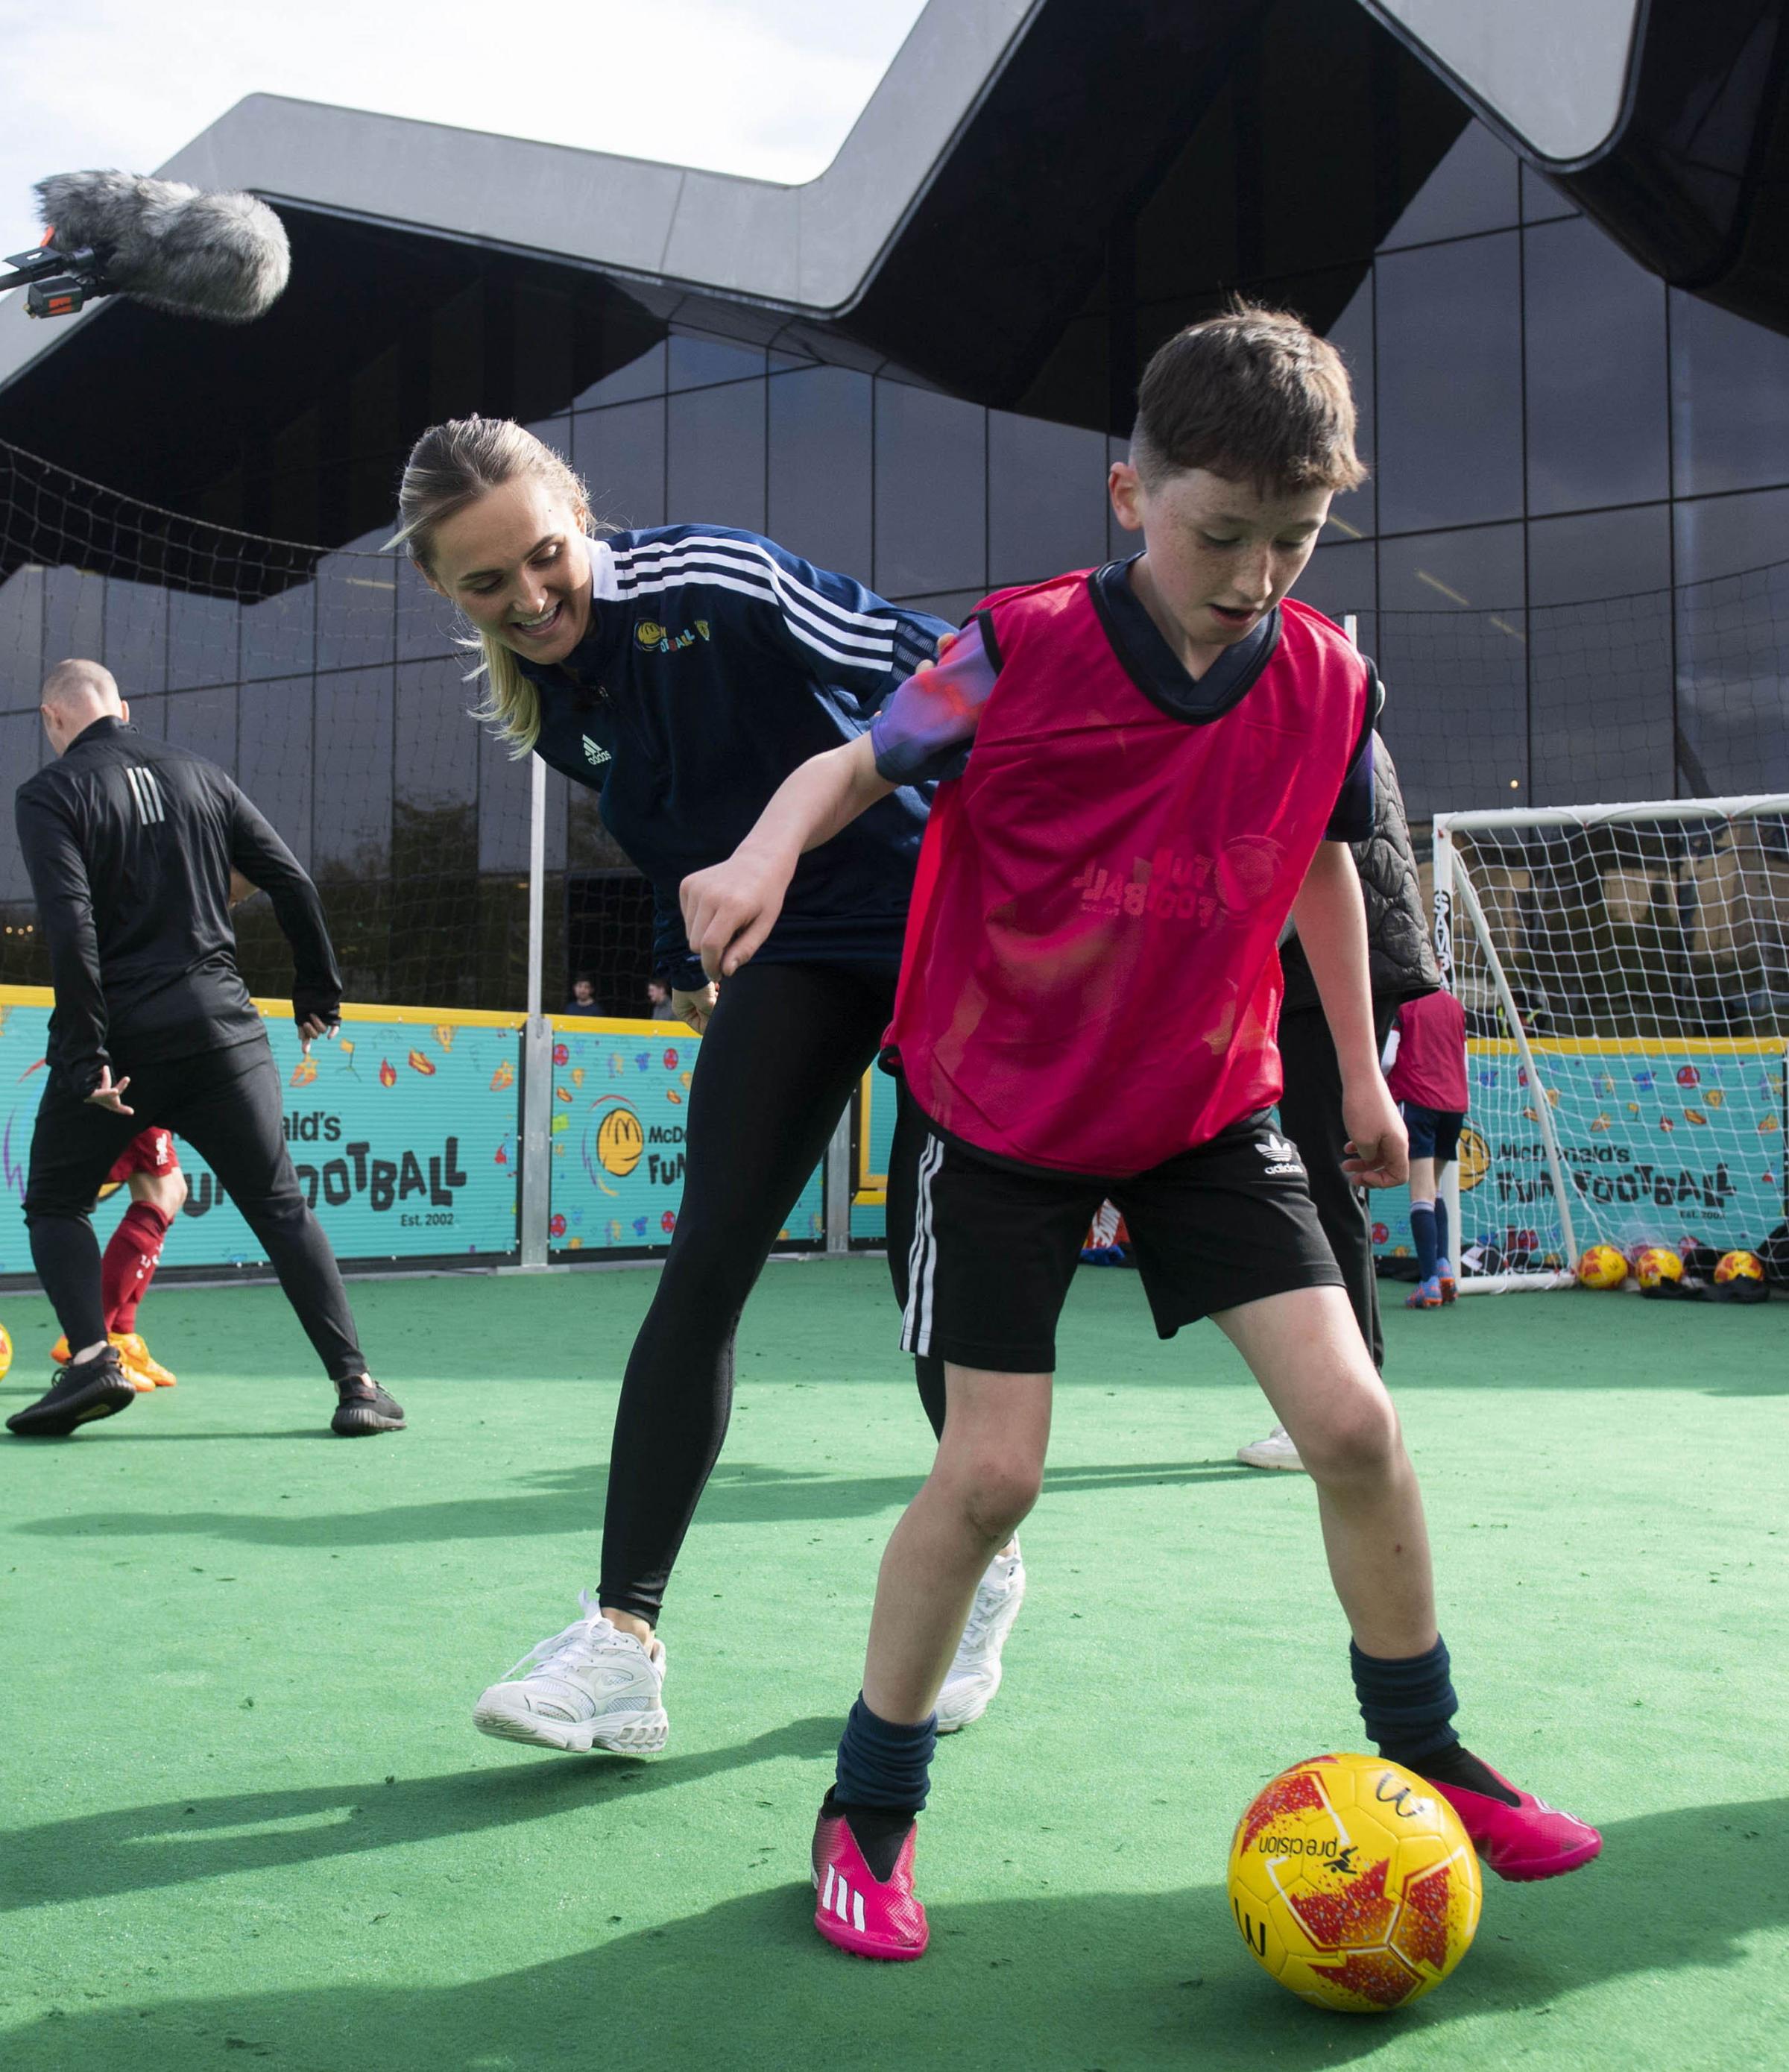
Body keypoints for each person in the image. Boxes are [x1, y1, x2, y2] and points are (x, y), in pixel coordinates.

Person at [684, 306, 1601, 1961]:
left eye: (1296, 537)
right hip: (1002, 1111)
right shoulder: (1019, 652)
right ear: (1131, 495)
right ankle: (866, 1814)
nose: (1256, 572)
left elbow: (1322, 856)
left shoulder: (1328, 674)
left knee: (1358, 1427)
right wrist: (758, 860)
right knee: (989, 1480)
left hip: (1207, 1100)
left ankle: (1428, 1751)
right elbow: (854, 764)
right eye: (1220, 533)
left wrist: (1371, 1073)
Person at [390, 418, 1024, 1753]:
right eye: (486, 587)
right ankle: (620, 1643)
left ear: (583, 520)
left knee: (929, 1264)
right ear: (444, 589)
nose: (530, 600)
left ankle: (980, 1562)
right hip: (799, 948)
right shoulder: (557, 703)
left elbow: (962, 674)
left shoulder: (713, 585)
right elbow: (690, 841)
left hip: (944, 917)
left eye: (545, 558)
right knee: (705, 1262)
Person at [7, 659, 405, 1440]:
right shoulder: (202, 774)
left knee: (55, 1202)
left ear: (54, 719)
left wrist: (85, 1053)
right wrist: (317, 991)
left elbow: (71, 925)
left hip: (124, 1040)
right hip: (226, 1030)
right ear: (124, 705)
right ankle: (356, 1384)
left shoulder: (50, 792)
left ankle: (92, 1360)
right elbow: (292, 881)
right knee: (281, 1206)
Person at [1237, 730, 1438, 1471]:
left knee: (1325, 1179)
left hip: (1328, 972)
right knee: (1326, 1178)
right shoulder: (1331, 704)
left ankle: (1341, 1400)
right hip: (1347, 966)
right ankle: (1346, 1395)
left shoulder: (1302, 699)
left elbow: (1311, 861)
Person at [47, 1125, 187, 1390]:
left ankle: (121, 1335)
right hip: (134, 1092)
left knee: (173, 1189)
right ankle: (89, 1338)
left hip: (148, 1093)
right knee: (160, 1195)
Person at [1385, 983, 1470, 1309]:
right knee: (1434, 1190)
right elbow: (1462, 1060)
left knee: (1420, 1193)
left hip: (1419, 1101)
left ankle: (1428, 1282)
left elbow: (1388, 1058)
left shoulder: (1403, 1006)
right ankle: (1444, 1266)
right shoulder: (1454, 1006)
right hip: (1454, 1106)